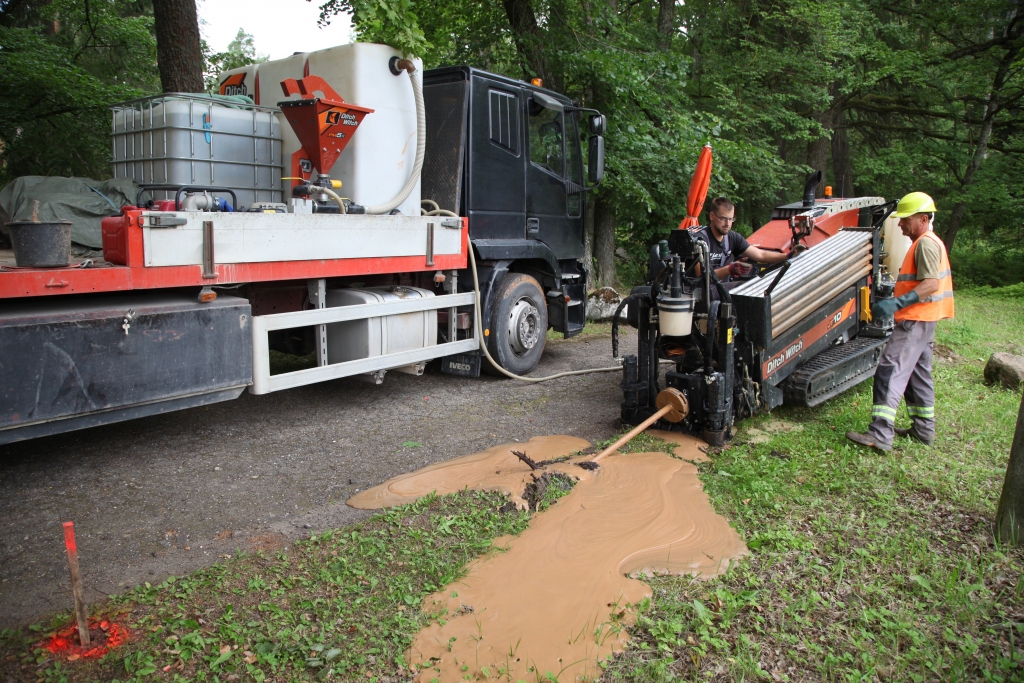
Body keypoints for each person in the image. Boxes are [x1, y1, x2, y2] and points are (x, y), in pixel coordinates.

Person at [847, 191, 954, 452]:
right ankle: (923, 429)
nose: (900, 224)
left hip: (915, 320)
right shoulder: (928, 241)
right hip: (926, 320)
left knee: (889, 369)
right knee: (919, 373)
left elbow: (930, 284)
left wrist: (897, 303)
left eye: (906, 219)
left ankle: (880, 434)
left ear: (922, 218)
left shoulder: (926, 243)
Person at [694, 197, 790, 283]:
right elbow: (702, 275)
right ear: (712, 216)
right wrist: (729, 269)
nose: (728, 223)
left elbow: (761, 255)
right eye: (723, 218)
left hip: (718, 287)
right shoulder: (700, 240)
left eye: (731, 219)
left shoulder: (733, 238)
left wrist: (786, 255)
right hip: (699, 293)